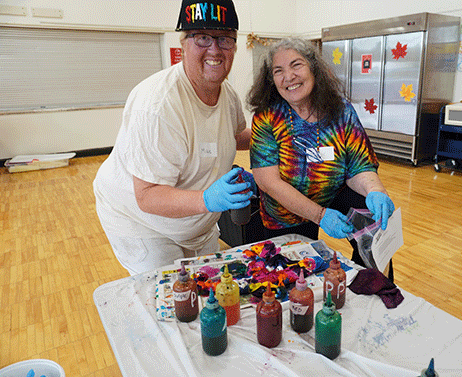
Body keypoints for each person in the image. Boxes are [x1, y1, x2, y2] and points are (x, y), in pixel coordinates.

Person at [93, 0, 253, 275]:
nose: (214, 49)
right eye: (202, 37)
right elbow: (147, 197)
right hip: (142, 222)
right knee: (171, 302)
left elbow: (235, 136)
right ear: (183, 44)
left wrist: (276, 134)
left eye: (225, 39)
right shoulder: (158, 105)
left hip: (196, 222)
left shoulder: (228, 96)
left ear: (235, 46)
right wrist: (207, 199)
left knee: (210, 290)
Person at [247, 37, 394, 267]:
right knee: (293, 277)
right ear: (271, 79)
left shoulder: (341, 110)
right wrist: (319, 215)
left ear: (314, 68)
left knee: (373, 222)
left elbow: (358, 165)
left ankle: (368, 286)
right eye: (278, 71)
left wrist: (376, 190)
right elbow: (268, 182)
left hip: (332, 194)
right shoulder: (267, 117)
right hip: (284, 215)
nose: (288, 77)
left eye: (296, 65)